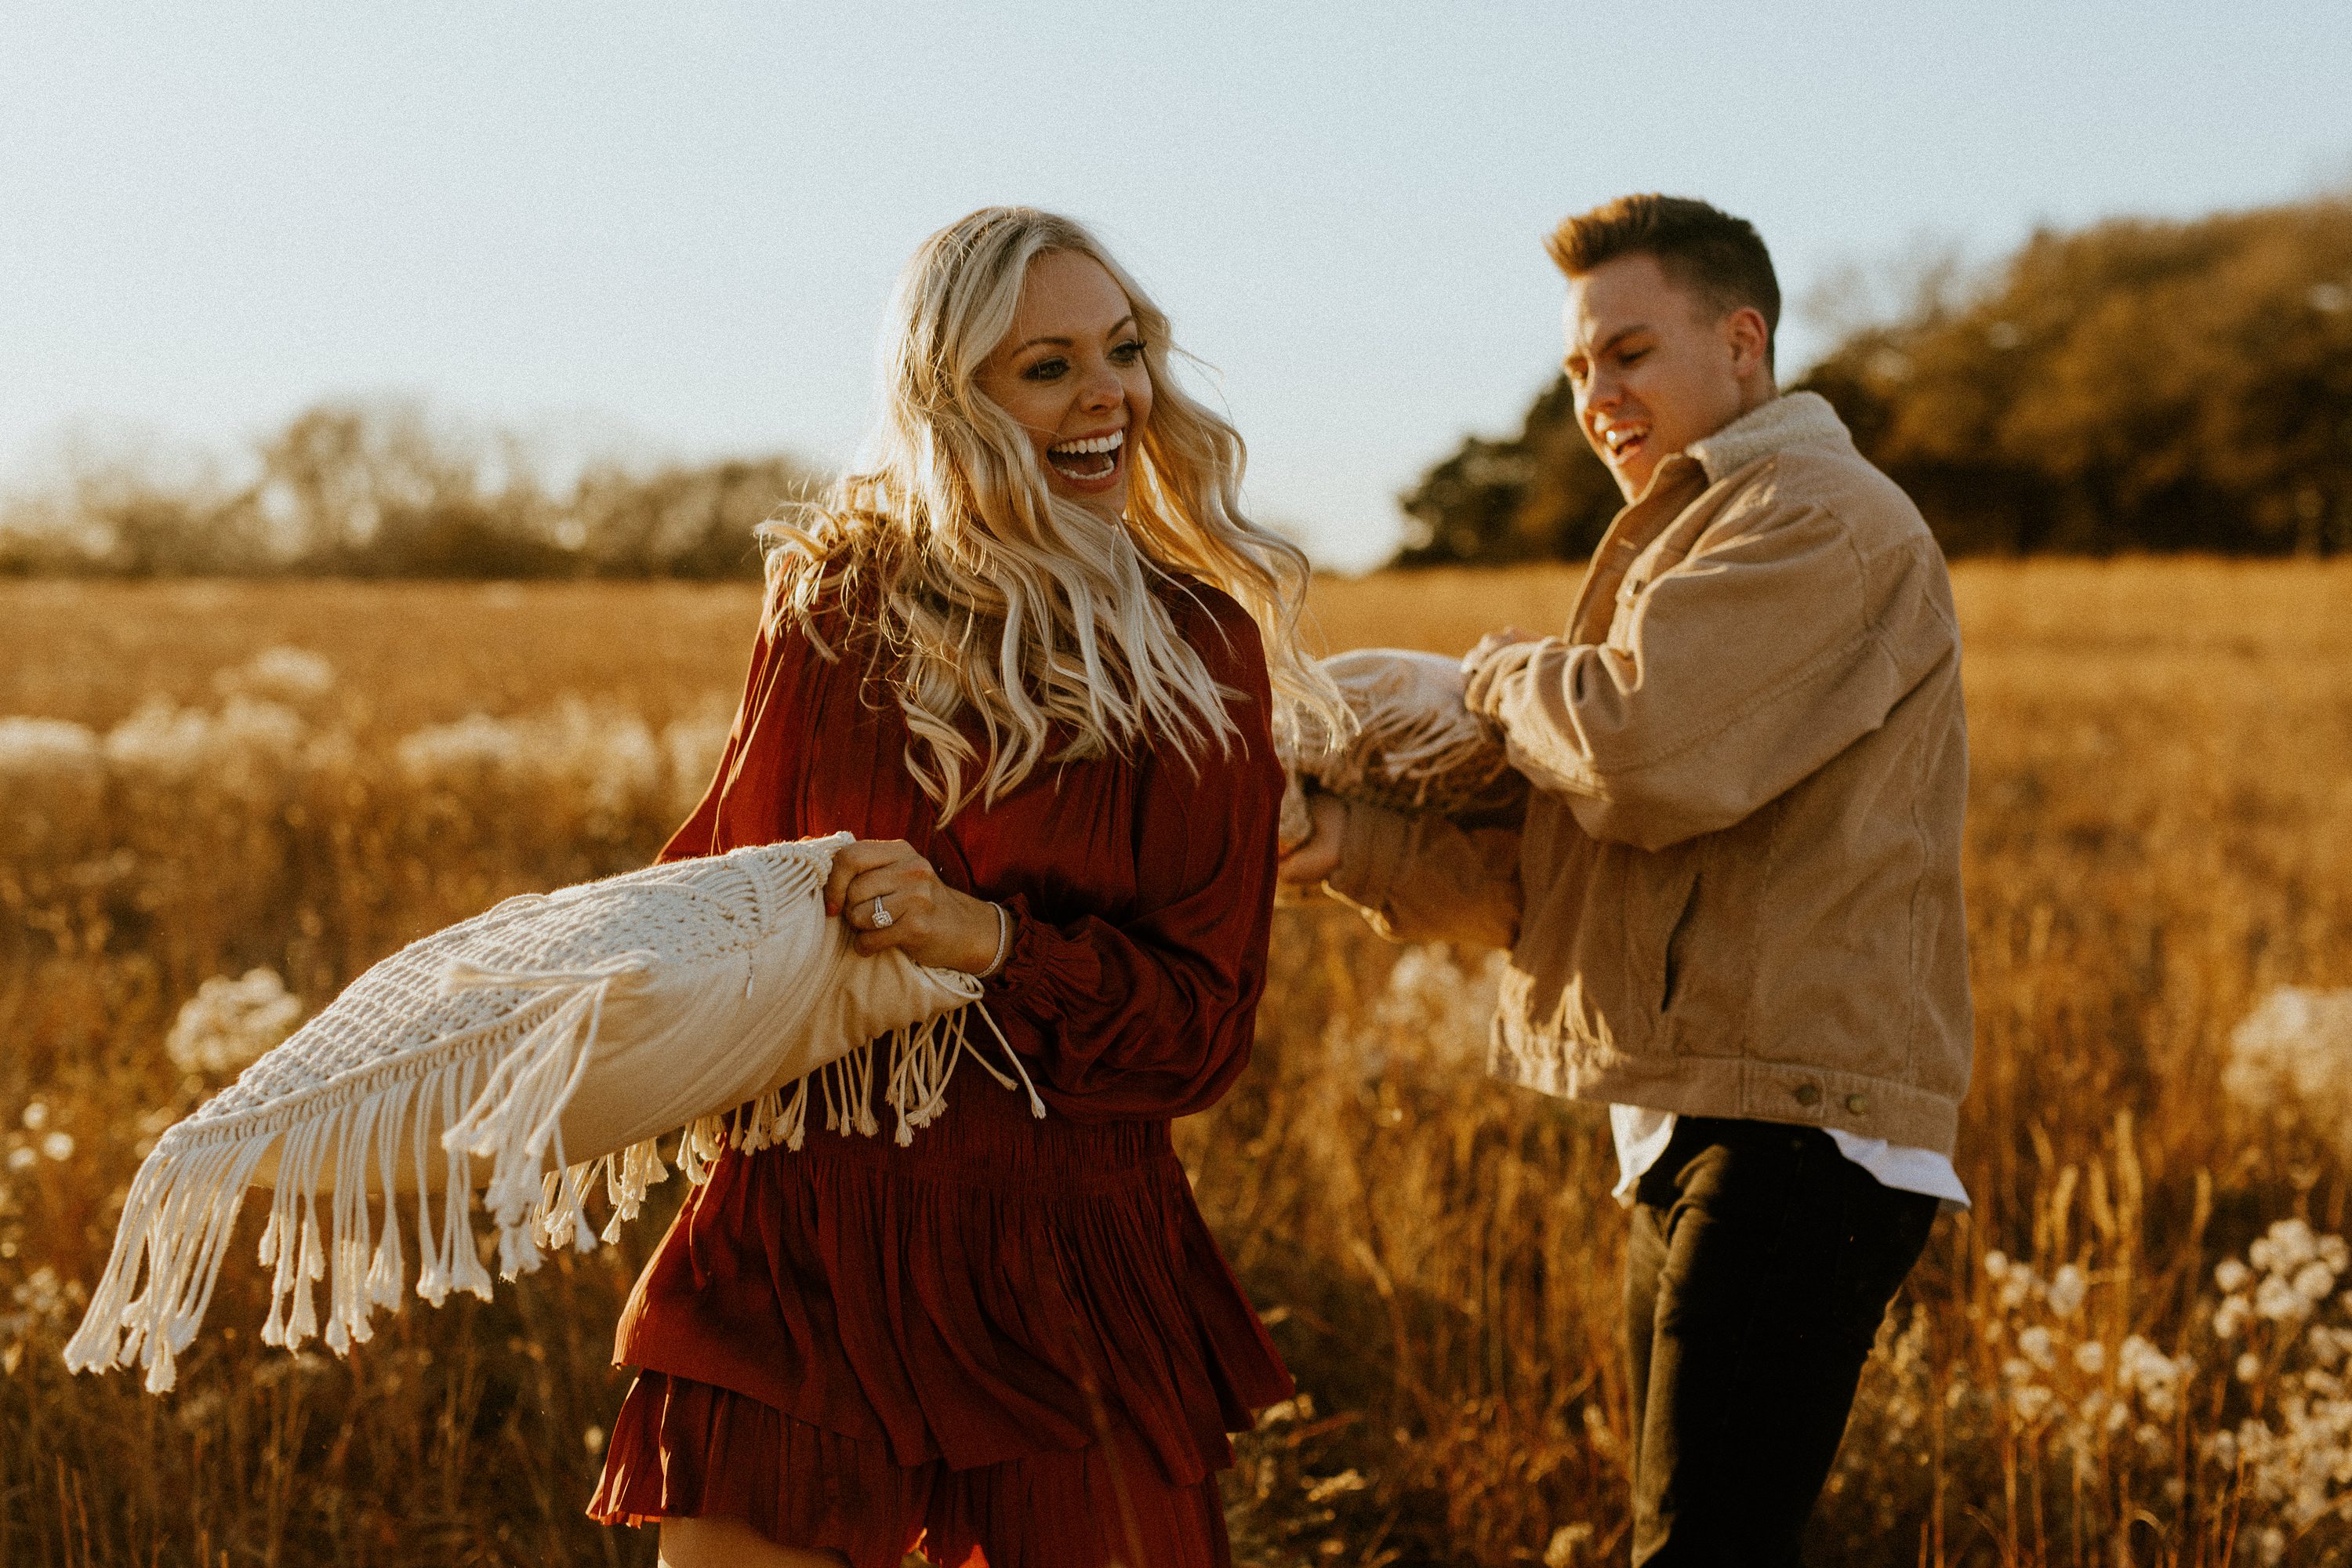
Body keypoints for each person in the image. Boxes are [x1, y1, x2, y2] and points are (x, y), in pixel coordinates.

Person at [590, 206, 1345, 1568]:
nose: (1109, 393)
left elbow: (1202, 1031)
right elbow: (725, 887)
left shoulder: (1194, 645)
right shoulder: (832, 606)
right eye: (1046, 365)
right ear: (951, 398)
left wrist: (989, 939)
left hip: (1066, 1258)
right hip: (803, 1228)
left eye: (1122, 351)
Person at [1279, 194, 1973, 1565]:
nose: (1597, 398)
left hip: (1802, 1131)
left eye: (1630, 353)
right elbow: (1578, 870)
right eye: (1578, 369)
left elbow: (1637, 757)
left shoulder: (1820, 520)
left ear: (1744, 341)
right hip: (1699, 1117)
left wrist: (1487, 676)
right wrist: (1343, 848)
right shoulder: (1697, 537)